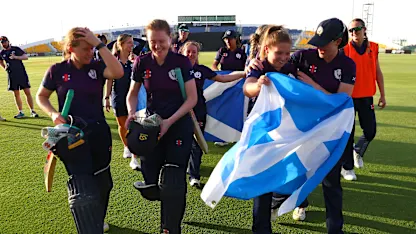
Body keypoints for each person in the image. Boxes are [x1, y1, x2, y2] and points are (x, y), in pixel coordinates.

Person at [247, 18, 356, 234]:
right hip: (296, 131)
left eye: (324, 42)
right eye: (317, 41)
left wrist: (313, 86)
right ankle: (269, 220)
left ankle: (335, 229)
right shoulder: (300, 58)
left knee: (330, 181)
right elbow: (271, 67)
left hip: (330, 132)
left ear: (338, 41)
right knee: (275, 173)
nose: (319, 47)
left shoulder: (347, 65)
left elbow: (341, 101)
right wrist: (253, 66)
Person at [36, 27, 124, 234]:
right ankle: (89, 225)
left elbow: (118, 72)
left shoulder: (97, 66)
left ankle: (98, 218)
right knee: (83, 185)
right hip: (71, 137)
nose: (89, 53)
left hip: (99, 132)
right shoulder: (57, 70)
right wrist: (52, 114)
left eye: (91, 49)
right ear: (70, 48)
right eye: (85, 49)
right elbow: (42, 96)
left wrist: (99, 45)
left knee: (104, 183)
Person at [126, 19, 197, 233]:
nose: (157, 46)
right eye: (152, 41)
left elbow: (192, 98)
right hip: (152, 126)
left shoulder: (181, 62)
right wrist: (132, 113)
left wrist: (169, 122)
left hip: (178, 123)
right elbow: (132, 93)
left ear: (171, 38)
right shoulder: (142, 61)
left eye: (161, 41)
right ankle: (160, 196)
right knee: (152, 181)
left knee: (174, 180)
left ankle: (170, 228)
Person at [243, 25, 305, 233]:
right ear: (267, 49)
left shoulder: (290, 68)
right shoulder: (258, 67)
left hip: (286, 132)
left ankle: (288, 201)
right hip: (263, 132)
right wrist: (259, 85)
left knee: (292, 171)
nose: (284, 57)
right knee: (263, 180)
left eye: (287, 53)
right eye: (279, 53)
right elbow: (247, 88)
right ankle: (261, 228)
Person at [179, 41, 246, 187]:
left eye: (194, 52)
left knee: (197, 144)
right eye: (188, 51)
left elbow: (221, 79)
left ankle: (194, 176)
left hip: (198, 112)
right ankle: (177, 170)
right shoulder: (174, 70)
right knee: (180, 142)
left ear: (197, 54)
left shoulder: (201, 70)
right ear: (182, 52)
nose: (190, 54)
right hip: (178, 112)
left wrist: (244, 73)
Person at [339, 18, 386, 181]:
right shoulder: (344, 49)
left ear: (364, 29)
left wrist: (383, 94)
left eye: (357, 29)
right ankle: (347, 168)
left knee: (370, 131)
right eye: (351, 30)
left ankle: (358, 151)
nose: (354, 33)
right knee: (348, 135)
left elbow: (377, 71)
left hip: (367, 97)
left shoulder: (373, 47)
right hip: (348, 98)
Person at [104, 34, 141, 169]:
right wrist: (106, 98)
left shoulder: (136, 60)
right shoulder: (114, 61)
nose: (132, 45)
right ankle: (127, 146)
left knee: (133, 126)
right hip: (118, 97)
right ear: (121, 45)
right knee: (122, 125)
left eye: (132, 43)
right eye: (129, 43)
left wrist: (136, 61)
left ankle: (135, 157)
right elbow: (109, 80)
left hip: (133, 97)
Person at [0, 36, 39, 119]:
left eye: (4, 42)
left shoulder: (16, 49)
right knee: (16, 94)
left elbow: (26, 57)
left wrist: (15, 57)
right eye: (1, 42)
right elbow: (0, 61)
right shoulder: (2, 52)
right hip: (11, 75)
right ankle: (21, 112)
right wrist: (4, 67)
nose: (3, 44)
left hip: (21, 74)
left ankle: (32, 111)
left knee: (27, 92)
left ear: (8, 41)